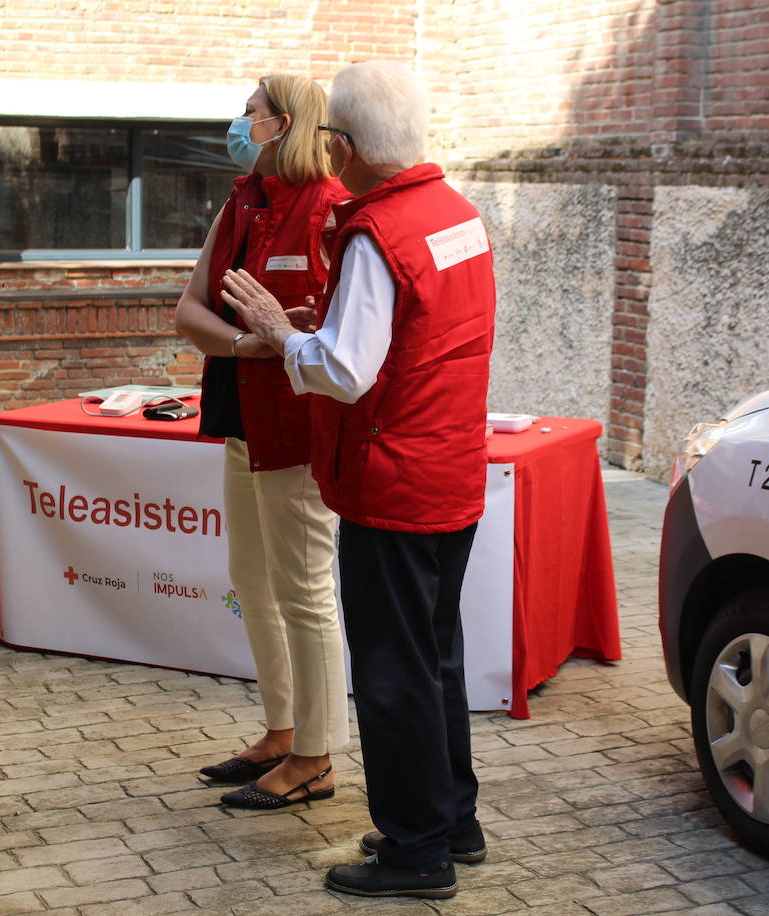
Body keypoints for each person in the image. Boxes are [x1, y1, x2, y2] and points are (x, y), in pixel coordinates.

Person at [221, 60, 496, 899]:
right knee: (434, 658)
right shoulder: (455, 215)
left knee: (392, 674)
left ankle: (417, 851)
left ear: (343, 145)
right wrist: (328, 328)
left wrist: (278, 330)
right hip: (448, 471)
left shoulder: (380, 233)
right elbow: (418, 332)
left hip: (393, 480)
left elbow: (343, 371)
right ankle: (453, 821)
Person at [175, 75, 351, 810]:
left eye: (249, 112)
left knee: (303, 590)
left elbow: (343, 338)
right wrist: (250, 343)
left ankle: (317, 755)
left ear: (282, 124)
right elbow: (188, 312)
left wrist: (283, 337)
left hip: (298, 429)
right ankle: (281, 731)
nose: (239, 124)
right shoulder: (242, 198)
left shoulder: (335, 211)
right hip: (241, 414)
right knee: (252, 580)